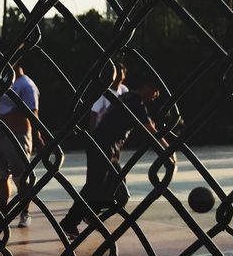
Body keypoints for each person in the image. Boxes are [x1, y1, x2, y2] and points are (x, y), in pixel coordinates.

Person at [59, 81, 163, 236]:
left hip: (107, 147)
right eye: (155, 90)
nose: (156, 95)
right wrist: (168, 149)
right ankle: (70, 222)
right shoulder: (135, 102)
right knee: (97, 185)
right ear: (146, 86)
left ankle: (90, 212)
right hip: (104, 145)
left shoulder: (129, 96)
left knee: (115, 187)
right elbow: (149, 129)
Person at [0, 64, 39, 228]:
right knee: (1, 175)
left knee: (22, 178)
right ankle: (2, 211)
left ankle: (24, 213)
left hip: (18, 135)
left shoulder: (26, 85)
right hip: (2, 135)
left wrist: (37, 135)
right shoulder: (5, 82)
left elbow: (33, 112)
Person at [89, 64, 128, 133]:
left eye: (121, 72)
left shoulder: (124, 90)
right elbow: (94, 113)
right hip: (102, 130)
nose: (119, 75)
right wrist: (93, 133)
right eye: (117, 72)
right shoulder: (103, 92)